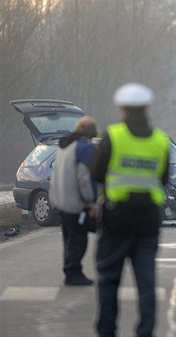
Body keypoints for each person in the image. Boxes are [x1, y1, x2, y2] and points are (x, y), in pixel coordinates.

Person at [90, 83, 170, 337]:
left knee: (109, 279)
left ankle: (107, 330)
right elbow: (165, 178)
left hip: (117, 219)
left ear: (122, 108)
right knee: (146, 282)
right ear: (147, 108)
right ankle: (145, 331)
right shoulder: (160, 139)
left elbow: (96, 172)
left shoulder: (113, 136)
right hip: (148, 221)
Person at [49, 116, 99, 286]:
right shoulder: (84, 147)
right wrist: (91, 201)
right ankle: (74, 273)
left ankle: (69, 270)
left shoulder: (64, 146)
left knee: (68, 238)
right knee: (78, 239)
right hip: (76, 203)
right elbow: (85, 177)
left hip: (62, 201)